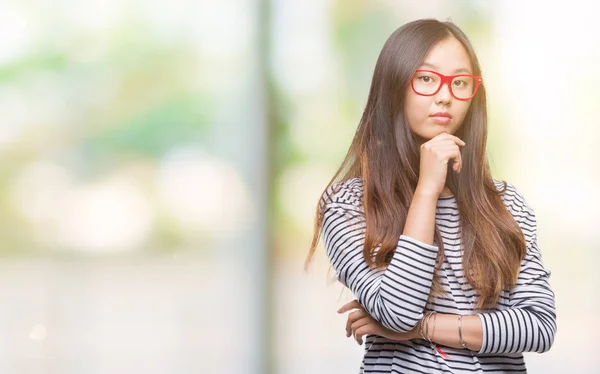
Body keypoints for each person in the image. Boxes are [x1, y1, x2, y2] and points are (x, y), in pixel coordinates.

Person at [304, 19, 556, 373]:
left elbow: (539, 326)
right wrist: (426, 190)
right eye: (426, 78)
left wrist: (420, 329)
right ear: (395, 86)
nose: (445, 95)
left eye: (460, 82)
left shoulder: (505, 204)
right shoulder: (350, 205)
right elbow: (397, 310)